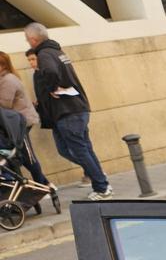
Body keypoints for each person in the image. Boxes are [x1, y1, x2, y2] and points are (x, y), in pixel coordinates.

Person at [24, 23, 111, 200]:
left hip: (68, 112)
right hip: (71, 111)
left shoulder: (45, 54)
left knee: (80, 150)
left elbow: (51, 72)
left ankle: (102, 187)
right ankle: (100, 178)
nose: (27, 42)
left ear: (33, 39)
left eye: (27, 39)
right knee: (75, 149)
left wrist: (52, 88)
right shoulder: (57, 52)